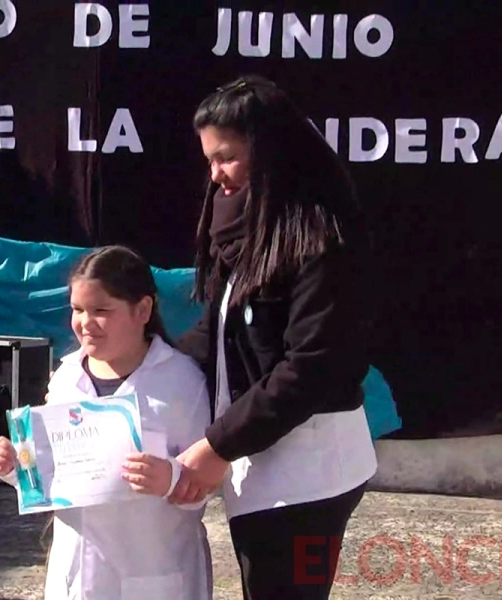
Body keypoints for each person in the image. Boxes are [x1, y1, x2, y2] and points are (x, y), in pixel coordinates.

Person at [171, 75, 378, 600]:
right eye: (209, 159)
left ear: (271, 152)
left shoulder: (323, 238)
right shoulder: (246, 226)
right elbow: (217, 331)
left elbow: (311, 367)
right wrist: (146, 365)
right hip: (260, 465)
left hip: (310, 476)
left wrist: (218, 445)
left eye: (228, 157)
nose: (215, 175)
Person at [0, 245, 213, 600]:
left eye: (101, 310)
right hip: (76, 578)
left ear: (142, 310)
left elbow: (207, 481)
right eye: (77, 310)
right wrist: (17, 466)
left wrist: (169, 478)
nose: (85, 323)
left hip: (155, 573)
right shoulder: (65, 378)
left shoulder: (182, 383)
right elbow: (51, 478)